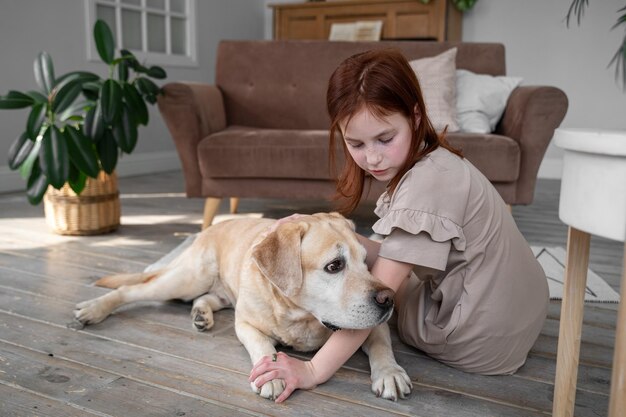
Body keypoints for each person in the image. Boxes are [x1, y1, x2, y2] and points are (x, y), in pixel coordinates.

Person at [248, 48, 549, 403]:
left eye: (384, 139)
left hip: (475, 337)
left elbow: (373, 305)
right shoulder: (438, 162)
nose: (371, 157)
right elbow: (398, 252)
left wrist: (312, 370)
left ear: (416, 116)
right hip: (519, 318)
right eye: (355, 143)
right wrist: (336, 237)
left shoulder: (426, 185)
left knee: (372, 291)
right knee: (372, 261)